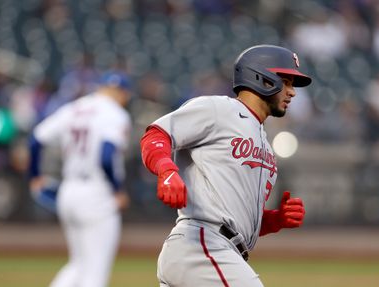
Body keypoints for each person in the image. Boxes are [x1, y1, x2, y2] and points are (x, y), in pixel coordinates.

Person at [140, 44, 311, 287]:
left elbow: (234, 216)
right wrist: (167, 170)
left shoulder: (264, 142)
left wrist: (274, 220)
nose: (292, 92)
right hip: (201, 246)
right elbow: (156, 135)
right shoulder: (219, 109)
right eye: (287, 81)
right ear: (263, 78)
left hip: (214, 251)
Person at [29, 71, 132, 287]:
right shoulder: (115, 114)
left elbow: (36, 140)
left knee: (78, 264)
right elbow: (106, 154)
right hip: (97, 191)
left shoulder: (74, 107)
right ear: (122, 93)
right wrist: (117, 189)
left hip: (69, 190)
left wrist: (35, 175)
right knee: (96, 270)